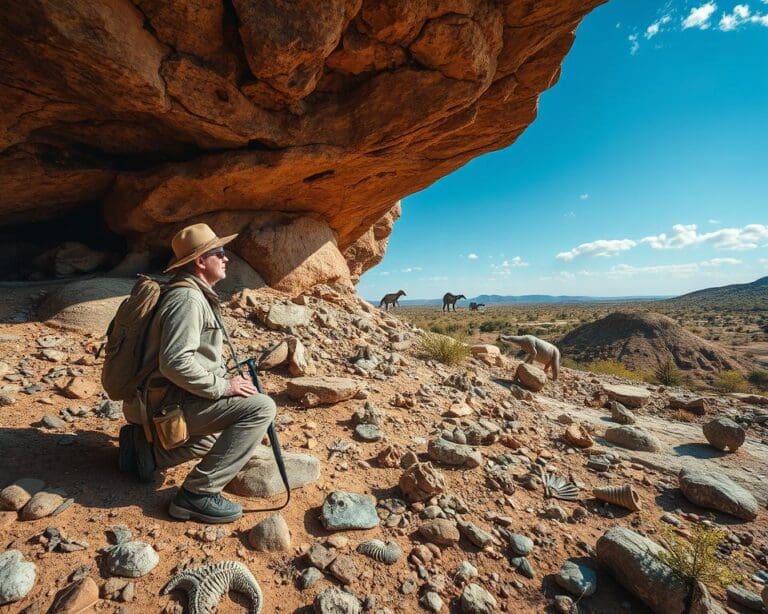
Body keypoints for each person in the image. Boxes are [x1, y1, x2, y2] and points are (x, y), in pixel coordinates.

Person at [118, 223, 276, 523]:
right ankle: (197, 495)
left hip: (170, 398)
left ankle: (144, 452)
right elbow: (175, 362)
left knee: (213, 438)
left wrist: (223, 381)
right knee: (261, 408)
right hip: (169, 402)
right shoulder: (187, 299)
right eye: (218, 252)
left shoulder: (191, 293)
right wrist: (223, 387)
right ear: (200, 261)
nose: (226, 257)